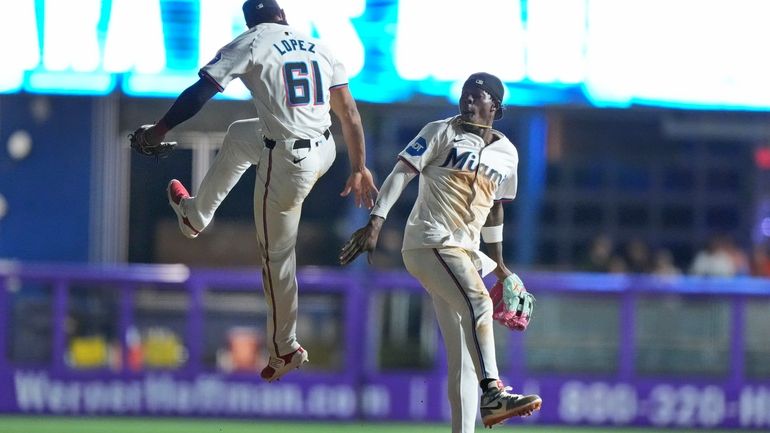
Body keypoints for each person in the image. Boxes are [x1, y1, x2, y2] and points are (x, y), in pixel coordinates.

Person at [132, 0, 377, 382]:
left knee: (276, 256)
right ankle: (196, 214)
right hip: (327, 147)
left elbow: (200, 94)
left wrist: (158, 130)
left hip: (289, 163)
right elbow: (349, 112)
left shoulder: (249, 43)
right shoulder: (319, 46)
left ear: (251, 22)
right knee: (241, 135)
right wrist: (359, 167)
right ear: (283, 17)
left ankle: (285, 346)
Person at [339, 73, 542, 431]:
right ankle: (494, 392)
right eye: (465, 94)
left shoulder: (507, 153)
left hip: (464, 253)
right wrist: (376, 221)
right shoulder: (440, 131)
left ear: (495, 105)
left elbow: (495, 208)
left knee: (464, 357)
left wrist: (501, 267)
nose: (466, 101)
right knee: (479, 303)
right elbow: (402, 174)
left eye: (476, 96)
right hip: (430, 241)